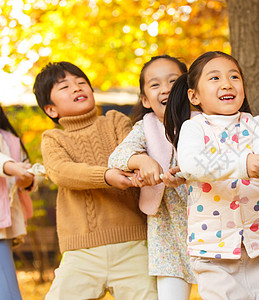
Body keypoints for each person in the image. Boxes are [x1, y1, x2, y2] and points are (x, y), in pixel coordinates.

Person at [164, 51, 259, 299]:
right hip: (214, 253)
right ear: (194, 95)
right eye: (215, 78)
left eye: (234, 76)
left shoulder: (255, 125)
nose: (227, 83)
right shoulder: (194, 128)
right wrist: (244, 163)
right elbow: (192, 164)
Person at [33, 62, 157, 299]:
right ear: (51, 110)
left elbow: (133, 152)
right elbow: (60, 171)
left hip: (132, 244)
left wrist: (139, 166)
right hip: (81, 252)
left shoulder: (115, 121)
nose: (77, 88)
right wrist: (106, 176)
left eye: (81, 83)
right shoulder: (53, 138)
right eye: (64, 86)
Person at [108, 55, 195, 300]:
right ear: (145, 99)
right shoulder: (146, 127)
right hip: (166, 227)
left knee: (219, 289)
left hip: (207, 222)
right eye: (155, 85)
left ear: (190, 91)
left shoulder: (202, 122)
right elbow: (118, 156)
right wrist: (142, 160)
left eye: (173, 81)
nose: (166, 88)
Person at [0, 104, 35, 300]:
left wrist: (27, 179)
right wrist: (10, 167)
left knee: (7, 291)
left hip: (3, 224)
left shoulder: (10, 139)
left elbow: (26, 173)